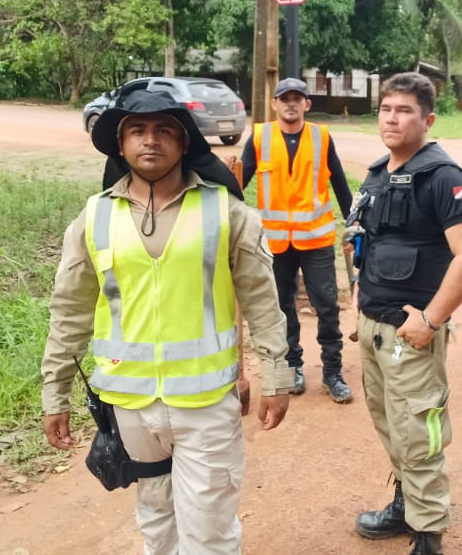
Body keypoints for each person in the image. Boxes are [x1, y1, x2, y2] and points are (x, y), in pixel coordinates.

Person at [41, 88, 293, 555]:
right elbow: (69, 311)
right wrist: (54, 392)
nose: (150, 140)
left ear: (184, 142)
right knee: (156, 522)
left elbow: (262, 301)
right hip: (130, 406)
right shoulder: (94, 218)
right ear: (121, 146)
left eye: (163, 130)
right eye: (137, 131)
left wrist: (277, 375)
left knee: (210, 533)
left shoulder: (227, 212)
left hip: (205, 404)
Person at [352, 72, 462, 555]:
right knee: (391, 426)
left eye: (404, 110)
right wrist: (358, 307)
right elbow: (364, 246)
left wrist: (430, 321)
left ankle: (428, 536)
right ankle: (407, 507)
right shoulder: (376, 175)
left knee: (419, 433)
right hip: (372, 328)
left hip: (411, 333)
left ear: (427, 119)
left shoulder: (443, 177)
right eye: (386, 109)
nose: (392, 118)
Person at [228, 77, 355, 403]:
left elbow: (339, 181)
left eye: (298, 98)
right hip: (275, 242)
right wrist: (225, 206)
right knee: (282, 307)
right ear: (274, 103)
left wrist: (355, 220)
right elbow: (239, 184)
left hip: (316, 240)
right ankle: (294, 367)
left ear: (306, 104)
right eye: (285, 98)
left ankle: (332, 372)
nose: (291, 103)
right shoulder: (260, 137)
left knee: (326, 306)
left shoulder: (321, 137)